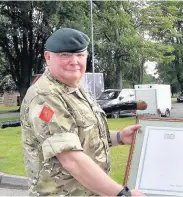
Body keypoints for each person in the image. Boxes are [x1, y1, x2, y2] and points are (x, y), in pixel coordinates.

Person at [20, 28, 145, 196]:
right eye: (64, 55)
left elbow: (85, 137)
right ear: (48, 57)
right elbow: (71, 160)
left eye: (80, 55)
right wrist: (123, 195)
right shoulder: (45, 95)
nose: (74, 61)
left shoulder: (78, 90)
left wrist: (120, 137)